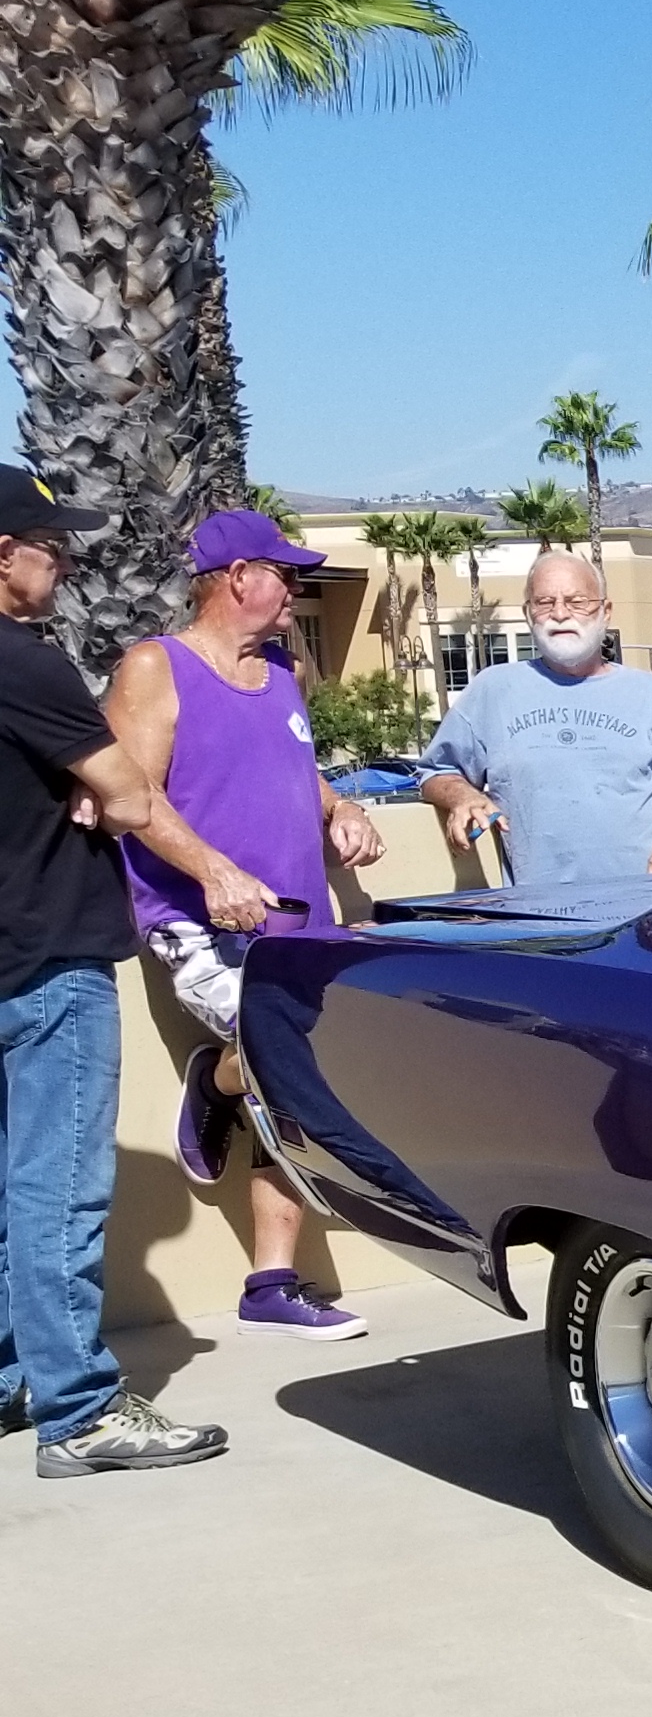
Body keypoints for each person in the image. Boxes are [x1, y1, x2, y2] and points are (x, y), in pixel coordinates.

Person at [0, 469, 246, 1474]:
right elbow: (135, 798)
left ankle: (14, 1380)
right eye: (49, 546)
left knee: (6, 1191)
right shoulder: (24, 662)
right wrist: (102, 783)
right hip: (48, 959)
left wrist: (88, 780)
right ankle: (80, 1413)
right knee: (57, 1190)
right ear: (3, 555)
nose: (62, 564)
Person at [105, 509, 385, 1342]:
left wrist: (342, 811)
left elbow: (296, 768)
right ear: (237, 579)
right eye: (285, 574)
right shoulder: (157, 666)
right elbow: (131, 795)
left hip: (298, 920)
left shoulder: (283, 670)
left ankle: (266, 1268)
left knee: (292, 1068)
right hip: (196, 921)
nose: (296, 591)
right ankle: (223, 1099)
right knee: (287, 1055)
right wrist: (212, 872)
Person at [417, 551, 652, 886]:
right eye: (544, 602)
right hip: (541, 909)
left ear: (605, 611)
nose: (560, 614)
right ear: (528, 614)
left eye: (577, 602)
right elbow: (436, 772)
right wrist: (463, 796)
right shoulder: (493, 690)